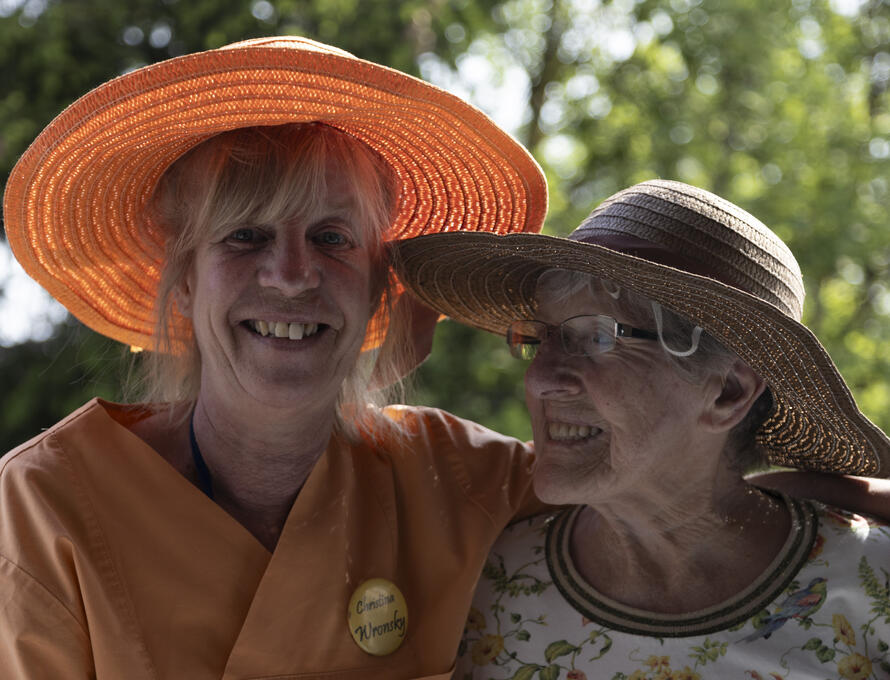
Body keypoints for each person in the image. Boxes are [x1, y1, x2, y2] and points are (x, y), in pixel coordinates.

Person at [0, 37, 550, 678]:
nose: (292, 275)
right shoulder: (48, 506)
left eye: (332, 237)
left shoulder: (468, 484)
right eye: (246, 234)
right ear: (182, 281)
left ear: (380, 286)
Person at [394, 180, 890, 679]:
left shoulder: (873, 590)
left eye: (597, 338)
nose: (541, 379)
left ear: (728, 393)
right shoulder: (490, 583)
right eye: (541, 338)